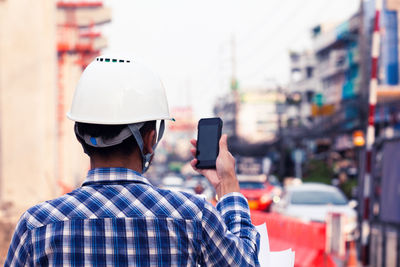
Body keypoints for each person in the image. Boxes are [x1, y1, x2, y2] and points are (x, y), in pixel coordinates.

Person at [5, 56, 260, 266]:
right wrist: (227, 188)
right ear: (150, 140)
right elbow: (245, 261)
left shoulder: (37, 226)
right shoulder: (193, 217)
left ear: (80, 136)